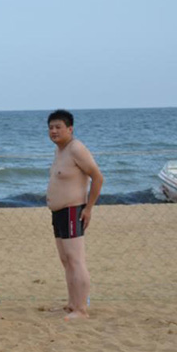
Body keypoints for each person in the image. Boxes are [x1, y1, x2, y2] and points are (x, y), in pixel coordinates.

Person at [46, 109, 104, 321]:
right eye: (51, 128)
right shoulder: (59, 150)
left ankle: (81, 309)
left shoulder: (76, 148)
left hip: (73, 210)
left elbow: (98, 177)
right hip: (58, 213)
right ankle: (72, 304)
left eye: (58, 127)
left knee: (76, 260)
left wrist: (88, 208)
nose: (54, 131)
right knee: (66, 260)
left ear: (70, 129)